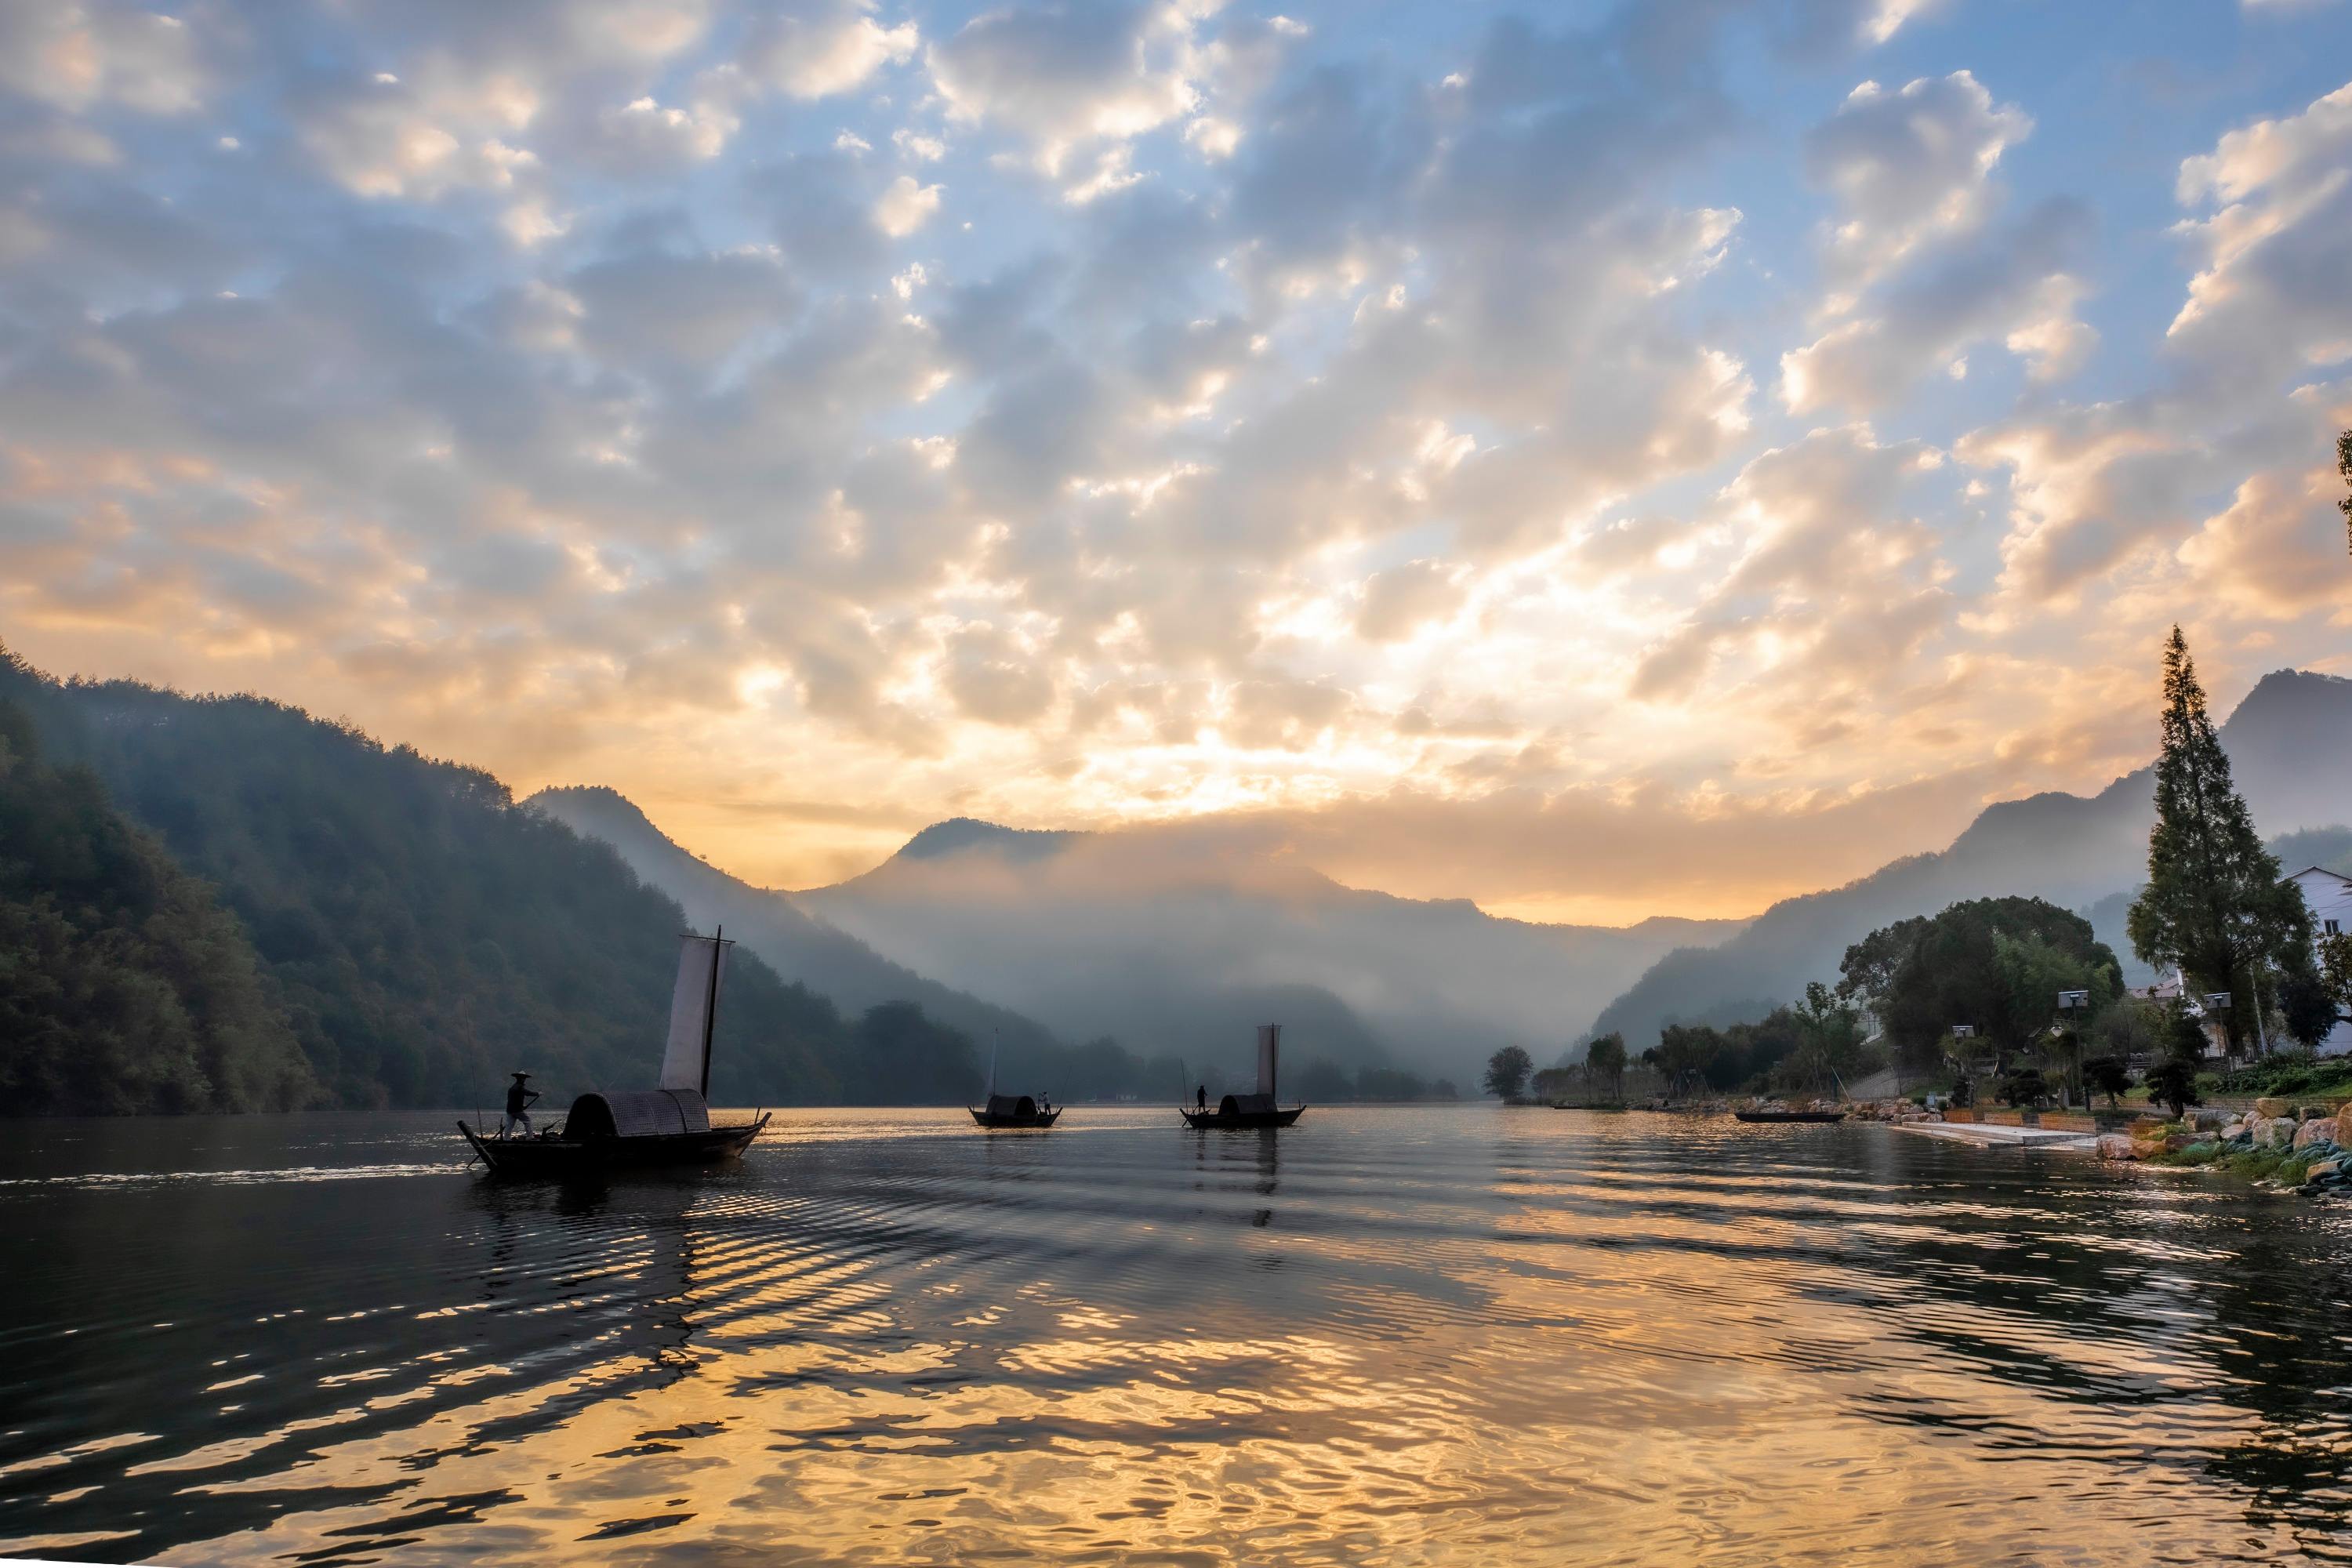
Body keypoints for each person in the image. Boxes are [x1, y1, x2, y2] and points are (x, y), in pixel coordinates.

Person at [503, 1072, 540, 1138]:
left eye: (524, 1078)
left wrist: (522, 1106)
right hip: (517, 1110)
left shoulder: (512, 1088)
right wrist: (537, 1093)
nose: (524, 1079)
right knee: (527, 1120)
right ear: (520, 1079)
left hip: (510, 1110)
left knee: (509, 1126)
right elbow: (528, 1093)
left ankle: (506, 1140)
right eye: (523, 1078)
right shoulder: (520, 1087)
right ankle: (530, 1137)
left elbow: (514, 1100)